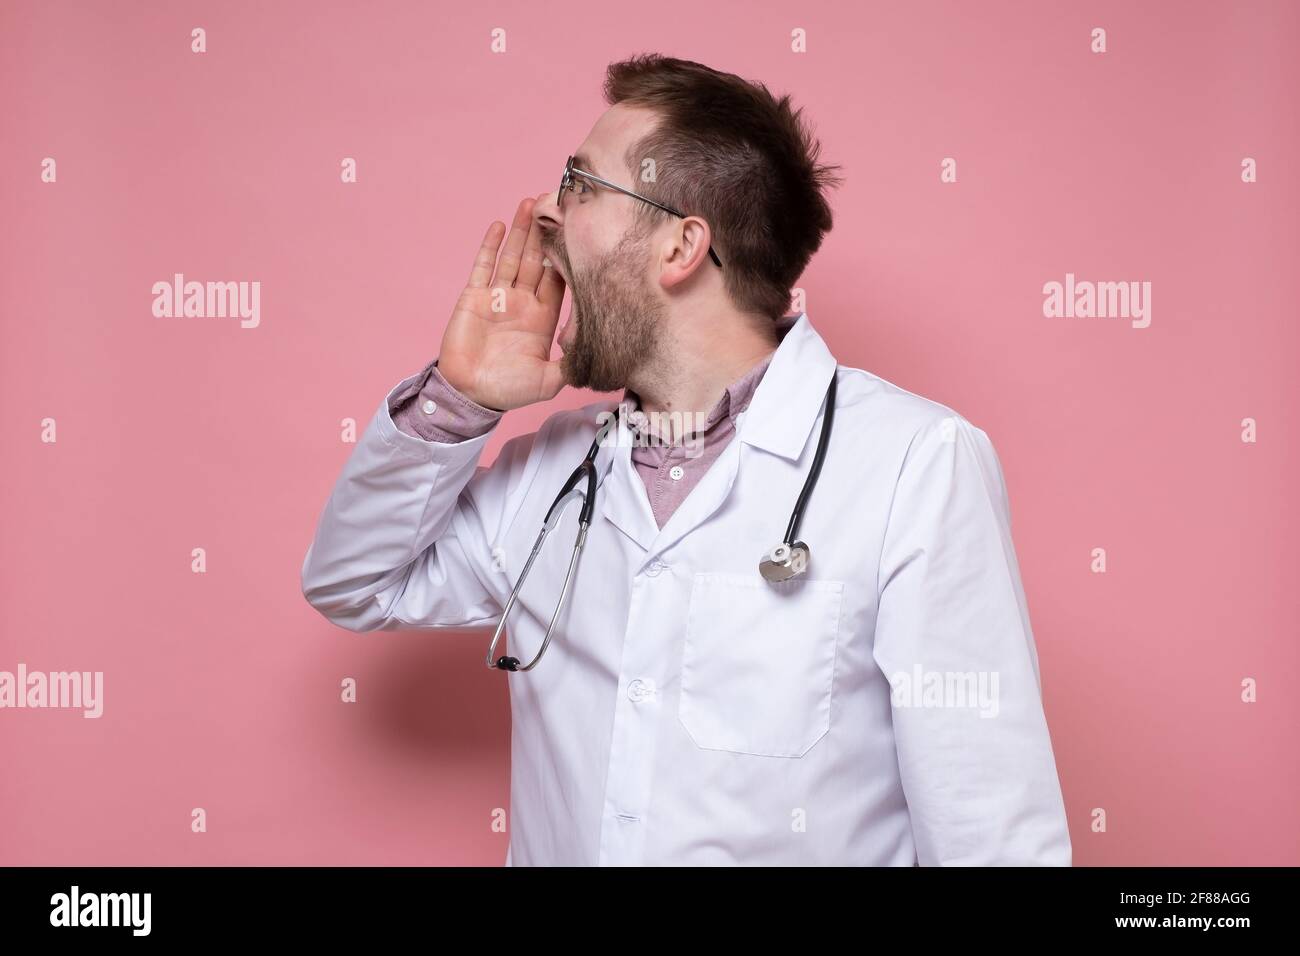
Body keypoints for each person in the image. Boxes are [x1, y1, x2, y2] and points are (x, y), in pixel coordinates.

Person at [301, 53, 1072, 866]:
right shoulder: (552, 473)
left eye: (579, 184)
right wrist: (460, 400)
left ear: (680, 245)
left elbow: (992, 836)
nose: (545, 216)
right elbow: (356, 583)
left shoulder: (914, 465)